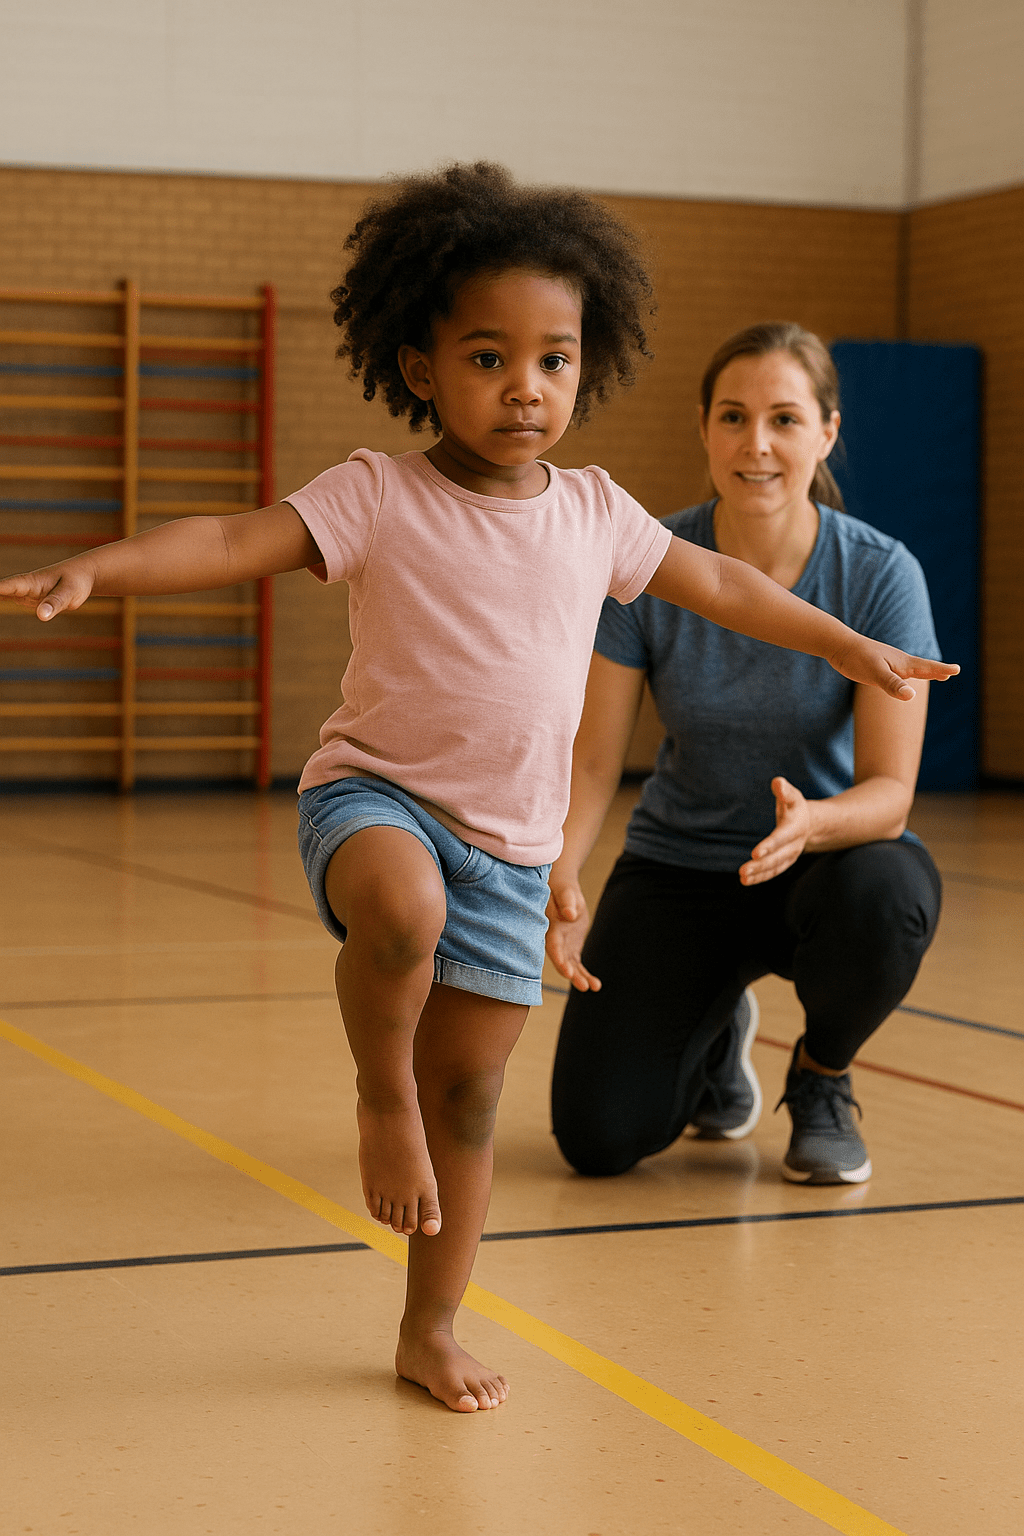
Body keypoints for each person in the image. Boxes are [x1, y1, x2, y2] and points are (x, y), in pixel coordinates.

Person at [0, 179, 956, 1413]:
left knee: (475, 1097)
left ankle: (428, 1324)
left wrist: (846, 646)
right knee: (399, 918)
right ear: (419, 366)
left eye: (553, 359)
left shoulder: (597, 513)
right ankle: (372, 1093)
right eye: (488, 357)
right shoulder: (377, 494)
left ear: (585, 366)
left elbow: (720, 587)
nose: (525, 386)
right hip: (378, 800)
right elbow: (234, 539)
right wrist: (100, 568)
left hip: (505, 856)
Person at [546, 321, 945, 1190]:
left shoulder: (879, 575)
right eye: (733, 417)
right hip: (680, 868)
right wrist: (563, 872)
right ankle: (716, 1041)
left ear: (827, 433)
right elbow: (590, 763)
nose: (755, 444)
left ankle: (824, 1078)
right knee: (598, 1139)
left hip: (826, 867)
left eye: (785, 420)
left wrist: (815, 822)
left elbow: (890, 794)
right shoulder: (646, 565)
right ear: (704, 427)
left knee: (890, 893)